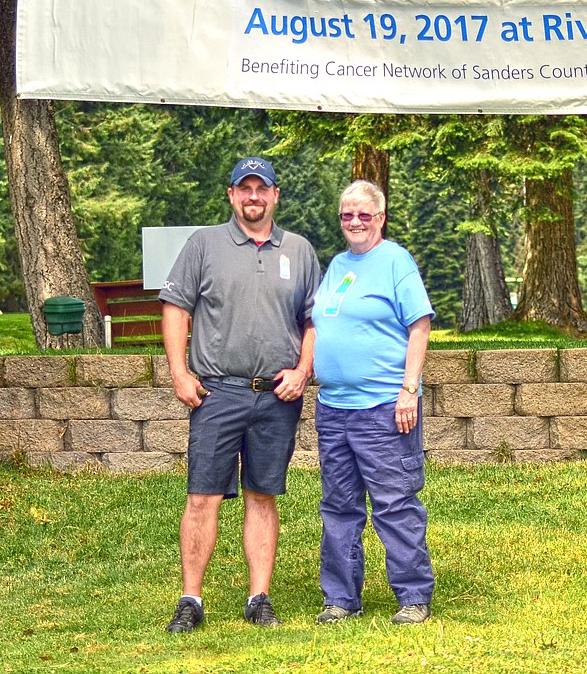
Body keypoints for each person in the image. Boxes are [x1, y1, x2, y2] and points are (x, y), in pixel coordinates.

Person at [158, 157, 320, 634]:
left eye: (261, 188)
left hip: (276, 396)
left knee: (262, 495)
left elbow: (314, 320)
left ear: (275, 195)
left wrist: (303, 370)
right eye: (244, 188)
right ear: (231, 195)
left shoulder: (299, 249)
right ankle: (190, 600)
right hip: (218, 392)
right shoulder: (204, 245)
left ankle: (259, 597)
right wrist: (178, 373)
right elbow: (174, 308)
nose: (253, 197)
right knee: (201, 497)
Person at [309, 179, 436, 626]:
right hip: (334, 408)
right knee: (339, 506)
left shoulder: (395, 260)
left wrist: (409, 390)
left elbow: (419, 325)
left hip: (383, 406)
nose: (355, 222)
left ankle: (414, 596)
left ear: (380, 218)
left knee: (394, 502)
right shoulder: (339, 264)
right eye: (347, 215)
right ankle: (341, 599)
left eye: (365, 214)